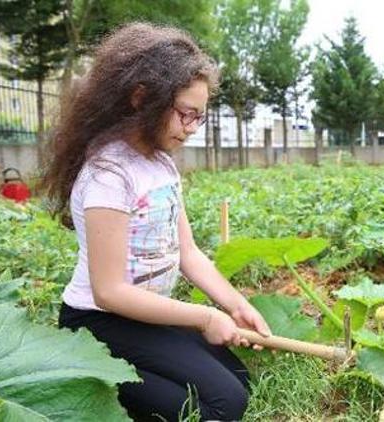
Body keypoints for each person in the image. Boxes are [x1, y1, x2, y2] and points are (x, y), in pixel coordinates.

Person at [41, 23, 270, 422]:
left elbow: (189, 253)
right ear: (142, 98)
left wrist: (235, 306)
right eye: (186, 115)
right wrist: (205, 317)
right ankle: (90, 378)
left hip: (146, 314)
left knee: (238, 381)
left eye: (199, 118)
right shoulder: (109, 175)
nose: (192, 128)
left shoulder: (161, 163)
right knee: (221, 407)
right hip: (99, 323)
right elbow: (109, 292)